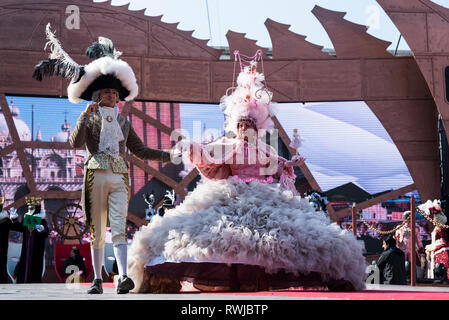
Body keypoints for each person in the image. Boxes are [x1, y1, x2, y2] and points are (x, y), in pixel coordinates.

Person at [127, 50, 367, 293]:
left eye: (248, 125)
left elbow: (277, 165)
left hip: (265, 197)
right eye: (241, 125)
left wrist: (289, 164)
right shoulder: (229, 145)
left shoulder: (264, 149)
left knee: (273, 237)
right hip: (231, 195)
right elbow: (208, 153)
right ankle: (229, 277)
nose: (244, 129)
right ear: (236, 126)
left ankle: (261, 278)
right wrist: (190, 147)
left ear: (256, 127)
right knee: (226, 235)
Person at [32, 24, 179, 294]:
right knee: (97, 228)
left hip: (119, 177)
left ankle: (123, 277)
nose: (112, 96)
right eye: (107, 93)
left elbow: (141, 150)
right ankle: (98, 279)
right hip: (95, 174)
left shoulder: (123, 122)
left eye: (115, 93)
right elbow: (75, 142)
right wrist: (85, 117)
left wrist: (169, 154)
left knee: (119, 225)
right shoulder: (89, 116)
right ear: (98, 97)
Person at [11, 197, 49, 283]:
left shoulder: (41, 220)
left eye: (32, 207)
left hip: (37, 248)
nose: (29, 209)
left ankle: (33, 283)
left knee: (35, 266)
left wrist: (41, 229)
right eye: (28, 207)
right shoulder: (27, 218)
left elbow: (46, 233)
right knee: (24, 265)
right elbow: (19, 228)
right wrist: (14, 219)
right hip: (26, 247)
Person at [0, 198, 19, 283]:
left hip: (2, 250)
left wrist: (14, 219)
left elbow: (20, 227)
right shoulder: (6, 220)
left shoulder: (6, 220)